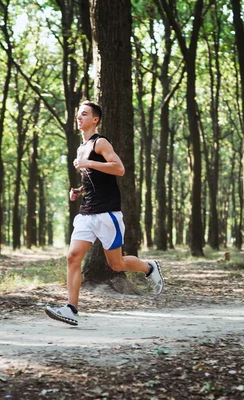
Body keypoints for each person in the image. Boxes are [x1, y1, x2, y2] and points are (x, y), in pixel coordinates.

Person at [45, 100, 164, 326]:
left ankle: (150, 268)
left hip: (107, 213)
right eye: (78, 114)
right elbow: (94, 179)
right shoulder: (81, 148)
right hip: (87, 212)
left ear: (95, 119)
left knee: (116, 264)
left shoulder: (100, 143)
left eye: (84, 114)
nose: (79, 118)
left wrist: (88, 161)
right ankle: (71, 309)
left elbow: (119, 169)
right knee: (72, 257)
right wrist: (79, 191)